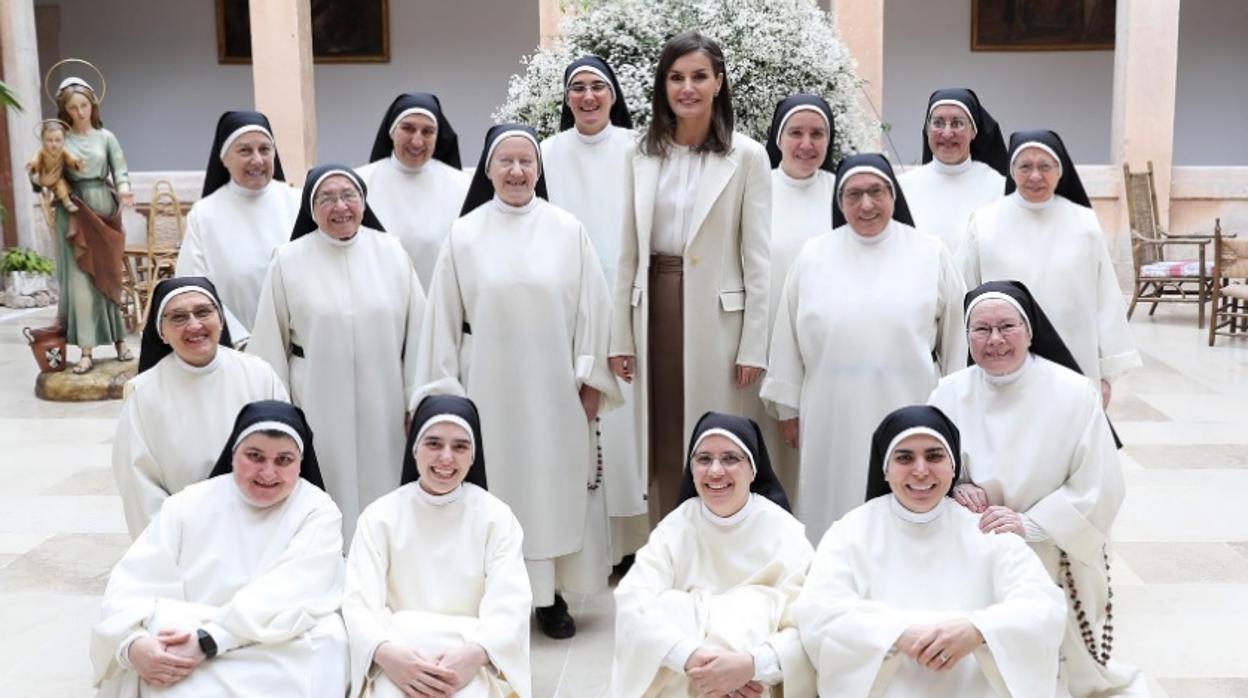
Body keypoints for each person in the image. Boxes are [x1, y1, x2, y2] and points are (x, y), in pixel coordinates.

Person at [414, 124, 619, 639]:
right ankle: (496, 599)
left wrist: (592, 379)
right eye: (505, 161)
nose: (517, 171)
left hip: (555, 394)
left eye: (526, 162)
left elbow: (594, 312)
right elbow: (441, 317)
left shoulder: (567, 229)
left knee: (551, 490)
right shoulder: (464, 234)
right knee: (495, 492)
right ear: (487, 170)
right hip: (487, 393)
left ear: (539, 170)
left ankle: (550, 600)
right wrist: (441, 395)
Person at [928, 281, 1140, 696]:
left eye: (1007, 326)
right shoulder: (948, 392)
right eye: (981, 329)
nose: (995, 340)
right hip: (978, 540)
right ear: (966, 336)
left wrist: (1031, 523)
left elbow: (1101, 483)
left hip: (1052, 545)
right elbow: (928, 462)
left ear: (1029, 329)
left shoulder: (1074, 392)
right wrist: (956, 488)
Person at [609, 31, 771, 526]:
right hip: (653, 303)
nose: (688, 88)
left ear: (718, 83)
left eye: (699, 76)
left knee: (714, 437)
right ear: (663, 86)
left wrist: (753, 345)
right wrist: (620, 334)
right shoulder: (640, 153)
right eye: (676, 78)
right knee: (658, 434)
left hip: (717, 318)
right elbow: (627, 251)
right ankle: (666, 542)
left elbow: (758, 258)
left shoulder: (746, 156)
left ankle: (720, 541)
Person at [793, 405, 1066, 697]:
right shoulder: (850, 532)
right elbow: (819, 611)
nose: (920, 470)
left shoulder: (987, 531)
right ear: (885, 469)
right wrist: (896, 633)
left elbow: (1044, 606)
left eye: (934, 456)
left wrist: (978, 630)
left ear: (954, 466)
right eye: (904, 458)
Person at [761, 153, 966, 541]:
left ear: (893, 195)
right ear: (839, 202)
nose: (866, 204)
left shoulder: (930, 251)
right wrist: (788, 407)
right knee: (834, 501)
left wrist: (955, 406)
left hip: (910, 406)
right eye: (853, 194)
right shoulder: (813, 254)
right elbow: (787, 334)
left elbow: (956, 337)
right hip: (830, 411)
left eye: (876, 192)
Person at [91, 400, 348, 697]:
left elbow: (293, 591)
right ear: (233, 453)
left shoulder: (317, 509)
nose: (268, 472)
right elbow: (134, 583)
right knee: (161, 630)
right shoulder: (187, 505)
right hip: (185, 642)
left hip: (275, 642)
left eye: (284, 460)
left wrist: (210, 640)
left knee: (329, 637)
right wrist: (132, 644)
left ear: (300, 463)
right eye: (255, 456)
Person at [250, 165, 426, 541]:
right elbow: (269, 344)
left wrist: (417, 401)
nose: (340, 206)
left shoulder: (391, 252)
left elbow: (419, 335)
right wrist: (279, 414)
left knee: (386, 493)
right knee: (326, 489)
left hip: (386, 402)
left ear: (363, 203)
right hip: (316, 402)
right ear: (311, 210)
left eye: (349, 195)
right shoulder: (288, 260)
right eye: (326, 198)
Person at [611, 412, 815, 698]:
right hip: (684, 677)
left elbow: (809, 624)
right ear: (691, 469)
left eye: (730, 458)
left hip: (756, 684)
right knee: (670, 608)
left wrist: (751, 666)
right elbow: (633, 602)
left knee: (754, 607)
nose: (715, 471)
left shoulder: (787, 533)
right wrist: (693, 658)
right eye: (704, 459)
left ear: (753, 469)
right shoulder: (674, 528)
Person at [344, 395, 531, 698]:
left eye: (460, 446)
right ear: (414, 448)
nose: (446, 457)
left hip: (471, 654)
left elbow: (511, 603)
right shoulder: (378, 517)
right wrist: (388, 655)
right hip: (397, 654)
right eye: (433, 443)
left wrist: (475, 655)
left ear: (474, 455)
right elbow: (359, 603)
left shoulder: (497, 518)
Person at [540, 55, 648, 568]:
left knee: (628, 426)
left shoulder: (638, 148)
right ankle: (586, 539)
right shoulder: (544, 153)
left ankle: (630, 543)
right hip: (567, 302)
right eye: (577, 88)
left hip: (631, 300)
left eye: (597, 88)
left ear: (613, 96)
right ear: (566, 99)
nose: (587, 97)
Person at [963, 129, 1141, 406]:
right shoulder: (984, 223)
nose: (1035, 176)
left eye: (1045, 166)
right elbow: (966, 294)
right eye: (1025, 166)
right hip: (1001, 359)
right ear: (1012, 171)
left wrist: (1106, 374)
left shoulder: (1085, 224)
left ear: (1060, 171)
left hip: (1075, 358)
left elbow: (1106, 299)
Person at [112, 277, 287, 538]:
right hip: (186, 533)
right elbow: (139, 484)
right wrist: (176, 541)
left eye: (203, 312)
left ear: (221, 319)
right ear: (161, 331)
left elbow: (289, 453)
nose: (194, 325)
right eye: (178, 317)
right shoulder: (143, 393)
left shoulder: (259, 374)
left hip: (261, 524)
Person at [761, 93, 837, 497]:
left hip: (826, 353)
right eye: (796, 133)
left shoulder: (844, 192)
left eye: (817, 134)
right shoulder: (757, 190)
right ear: (778, 137)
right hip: (763, 350)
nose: (807, 144)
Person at [176, 110, 299, 343]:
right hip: (237, 346)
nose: (258, 160)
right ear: (224, 159)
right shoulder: (204, 215)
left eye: (265, 149)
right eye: (244, 150)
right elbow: (195, 286)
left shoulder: (299, 202)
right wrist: (240, 340)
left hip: (300, 344)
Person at [50, 76, 134, 374]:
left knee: (109, 277)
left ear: (93, 106)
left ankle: (120, 342)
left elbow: (120, 169)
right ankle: (85, 350)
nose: (80, 112)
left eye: (84, 105)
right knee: (81, 283)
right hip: (74, 212)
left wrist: (124, 188)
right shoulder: (61, 139)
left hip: (104, 210)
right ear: (65, 110)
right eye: (73, 108)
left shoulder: (105, 137)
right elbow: (50, 173)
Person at [356, 92, 469, 288]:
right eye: (408, 129)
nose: (417, 141)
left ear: (437, 136)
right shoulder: (359, 184)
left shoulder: (461, 185)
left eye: (427, 132)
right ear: (392, 132)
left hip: (438, 306)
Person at [896, 88, 1007, 266]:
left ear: (974, 131)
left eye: (957, 123)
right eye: (938, 123)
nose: (947, 133)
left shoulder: (999, 187)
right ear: (927, 130)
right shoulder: (903, 187)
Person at [27, 118, 84, 212]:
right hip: (43, 179)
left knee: (61, 186)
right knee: (45, 199)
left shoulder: (63, 152)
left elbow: (71, 159)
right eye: (49, 140)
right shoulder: (41, 152)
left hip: (58, 179)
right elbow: (35, 161)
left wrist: (76, 163)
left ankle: (67, 203)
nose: (54, 144)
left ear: (63, 141)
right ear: (43, 141)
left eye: (58, 140)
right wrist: (32, 166)